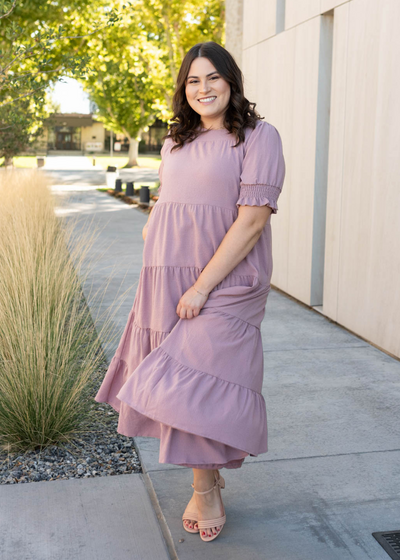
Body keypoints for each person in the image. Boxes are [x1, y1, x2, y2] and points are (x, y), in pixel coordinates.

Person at [94, 41, 286, 543]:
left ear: (231, 81)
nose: (203, 89)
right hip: (166, 276)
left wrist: (202, 286)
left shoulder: (259, 137)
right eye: (193, 80)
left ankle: (205, 490)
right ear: (185, 88)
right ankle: (208, 478)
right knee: (181, 386)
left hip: (225, 279)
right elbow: (168, 199)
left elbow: (252, 222)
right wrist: (155, 229)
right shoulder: (175, 141)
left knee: (199, 380)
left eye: (213, 78)